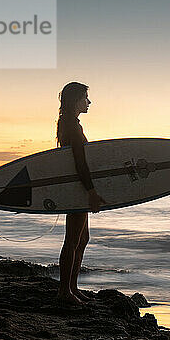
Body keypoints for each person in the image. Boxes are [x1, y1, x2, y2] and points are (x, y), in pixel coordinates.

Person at [55, 81, 105, 305]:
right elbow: (80, 163)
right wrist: (91, 192)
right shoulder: (71, 126)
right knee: (73, 240)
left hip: (77, 186)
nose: (89, 102)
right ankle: (64, 291)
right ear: (76, 100)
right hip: (76, 187)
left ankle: (72, 287)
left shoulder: (70, 123)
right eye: (86, 97)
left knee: (82, 238)